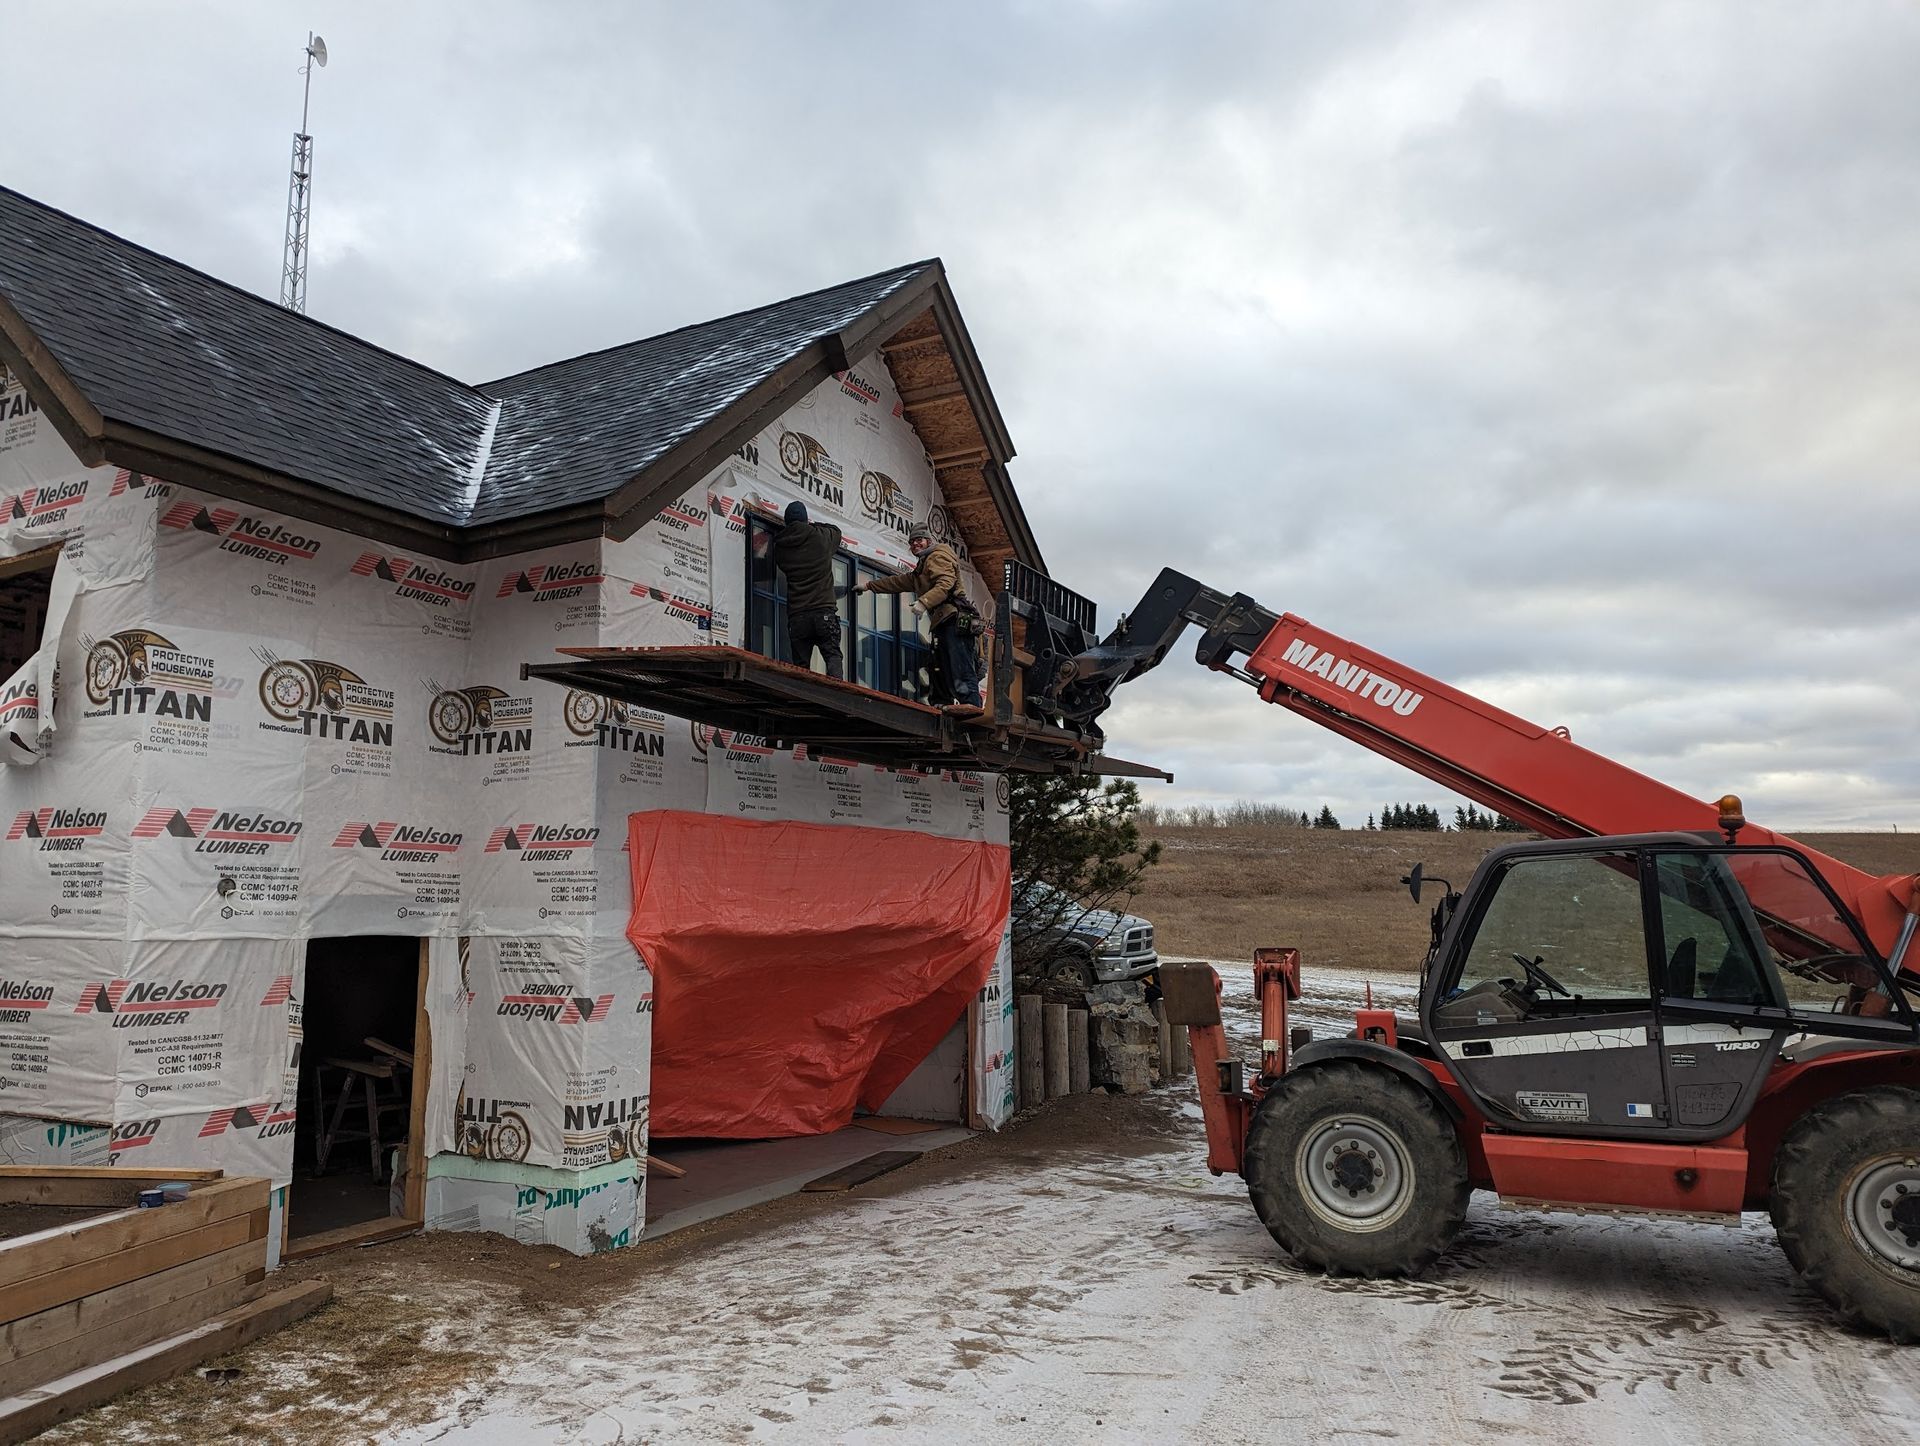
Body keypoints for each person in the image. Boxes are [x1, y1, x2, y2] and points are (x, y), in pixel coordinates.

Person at [855, 523, 983, 711]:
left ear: (928, 541)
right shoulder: (922, 569)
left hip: (954, 620)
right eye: (912, 542)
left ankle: (971, 707)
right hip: (943, 622)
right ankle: (942, 703)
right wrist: (869, 586)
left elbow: (945, 584)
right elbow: (897, 582)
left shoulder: (937, 556)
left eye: (919, 540)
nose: (915, 544)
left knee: (959, 665)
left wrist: (924, 602)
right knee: (939, 666)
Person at [770, 500, 843, 680]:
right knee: (832, 655)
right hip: (823, 611)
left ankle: (801, 697)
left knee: (801, 666)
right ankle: (836, 695)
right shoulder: (820, 538)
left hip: (797, 616)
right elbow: (836, 531)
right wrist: (812, 525)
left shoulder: (780, 547)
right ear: (806, 520)